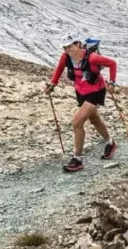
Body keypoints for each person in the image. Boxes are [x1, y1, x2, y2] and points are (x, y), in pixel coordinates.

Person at [44, 33, 118, 172]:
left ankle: (77, 159)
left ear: (78, 44)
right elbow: (59, 70)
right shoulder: (65, 57)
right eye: (65, 47)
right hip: (81, 91)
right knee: (95, 119)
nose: (68, 49)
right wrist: (52, 84)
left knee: (77, 122)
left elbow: (112, 63)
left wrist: (112, 82)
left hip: (96, 90)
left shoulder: (92, 57)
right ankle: (110, 143)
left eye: (70, 46)